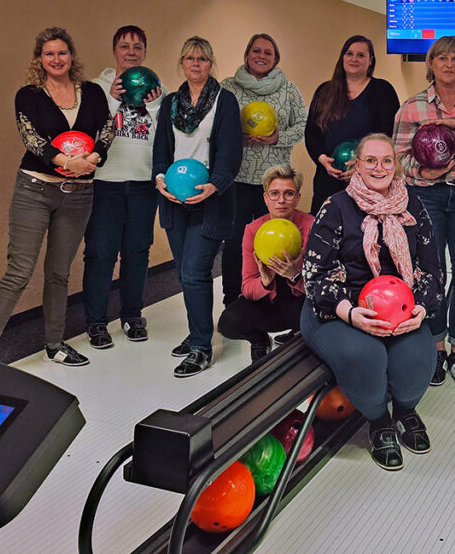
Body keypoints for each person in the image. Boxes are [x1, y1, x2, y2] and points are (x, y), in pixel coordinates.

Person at [301, 134, 442, 471]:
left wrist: (419, 309)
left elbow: (432, 269)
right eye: (370, 161)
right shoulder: (334, 207)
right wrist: (352, 315)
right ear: (357, 165)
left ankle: (405, 410)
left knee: (419, 356)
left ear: (396, 166)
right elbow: (314, 275)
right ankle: (378, 420)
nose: (379, 168)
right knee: (365, 354)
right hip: (337, 308)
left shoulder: (413, 205)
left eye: (386, 161)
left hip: (400, 308)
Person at [0, 27, 112, 365]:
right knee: (19, 271)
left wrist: (92, 159)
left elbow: (106, 128)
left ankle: (55, 344)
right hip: (35, 190)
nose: (56, 59)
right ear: (39, 59)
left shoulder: (92, 92)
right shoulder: (29, 95)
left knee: (59, 273)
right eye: (49, 54)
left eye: (62, 53)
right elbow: (31, 138)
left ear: (71, 56)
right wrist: (67, 162)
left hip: (78, 195)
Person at [393, 36, 455, 391]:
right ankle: (435, 349)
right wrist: (423, 173)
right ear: (430, 63)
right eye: (441, 58)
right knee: (433, 277)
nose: (448, 64)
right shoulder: (412, 107)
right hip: (426, 197)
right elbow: (399, 158)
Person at [153, 36, 242, 378]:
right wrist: (160, 179)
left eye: (202, 59)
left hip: (211, 200)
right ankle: (196, 331)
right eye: (189, 58)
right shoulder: (170, 104)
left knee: (194, 271)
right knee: (183, 273)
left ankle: (203, 347)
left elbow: (230, 153)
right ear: (182, 63)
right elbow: (160, 149)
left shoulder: (225, 101)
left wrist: (214, 185)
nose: (196, 64)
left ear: (210, 63)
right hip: (175, 200)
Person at [83, 25, 166, 349]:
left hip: (144, 184)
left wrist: (156, 107)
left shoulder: (157, 90)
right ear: (114, 50)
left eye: (137, 46)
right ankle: (96, 322)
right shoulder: (95, 89)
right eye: (124, 46)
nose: (131, 51)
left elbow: (167, 138)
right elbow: (88, 133)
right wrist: (114, 102)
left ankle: (132, 316)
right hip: (106, 183)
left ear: (144, 51)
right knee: (100, 254)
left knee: (137, 253)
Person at [219, 34, 307, 305]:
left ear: (276, 58)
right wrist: (234, 135)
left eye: (268, 52)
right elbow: (217, 125)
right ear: (247, 54)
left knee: (278, 241)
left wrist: (276, 137)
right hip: (238, 175)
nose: (261, 55)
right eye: (256, 50)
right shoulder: (228, 87)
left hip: (275, 181)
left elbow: (303, 125)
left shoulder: (289, 90)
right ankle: (233, 297)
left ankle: (278, 296)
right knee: (236, 241)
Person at [218, 164, 313, 362]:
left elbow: (321, 286)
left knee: (311, 314)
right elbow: (247, 287)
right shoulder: (253, 230)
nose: (281, 200)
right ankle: (259, 339)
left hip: (298, 302)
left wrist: (295, 275)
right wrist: (264, 281)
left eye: (288, 193)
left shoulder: (311, 226)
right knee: (228, 322)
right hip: (268, 302)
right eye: (274, 193)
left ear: (297, 198)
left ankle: (301, 339)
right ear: (265, 198)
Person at [304, 35, 399, 213]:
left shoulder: (382, 90)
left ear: (371, 61)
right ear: (342, 58)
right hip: (328, 180)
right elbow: (311, 133)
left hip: (369, 182)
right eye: (349, 54)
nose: (354, 59)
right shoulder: (324, 91)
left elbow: (389, 136)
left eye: (361, 55)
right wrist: (322, 159)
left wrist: (362, 166)